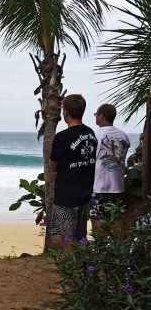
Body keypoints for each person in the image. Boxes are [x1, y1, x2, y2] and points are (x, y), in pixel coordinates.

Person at [49, 94, 97, 248]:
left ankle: (72, 268)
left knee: (66, 237)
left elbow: (53, 167)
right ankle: (83, 264)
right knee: (81, 235)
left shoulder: (62, 137)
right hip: (85, 193)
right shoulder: (91, 133)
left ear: (66, 113)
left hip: (66, 195)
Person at [91, 104, 130, 230]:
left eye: (96, 114)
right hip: (118, 186)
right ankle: (119, 248)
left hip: (99, 186)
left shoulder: (94, 135)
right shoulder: (124, 136)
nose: (96, 117)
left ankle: (100, 248)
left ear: (101, 116)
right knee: (117, 220)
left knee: (97, 220)